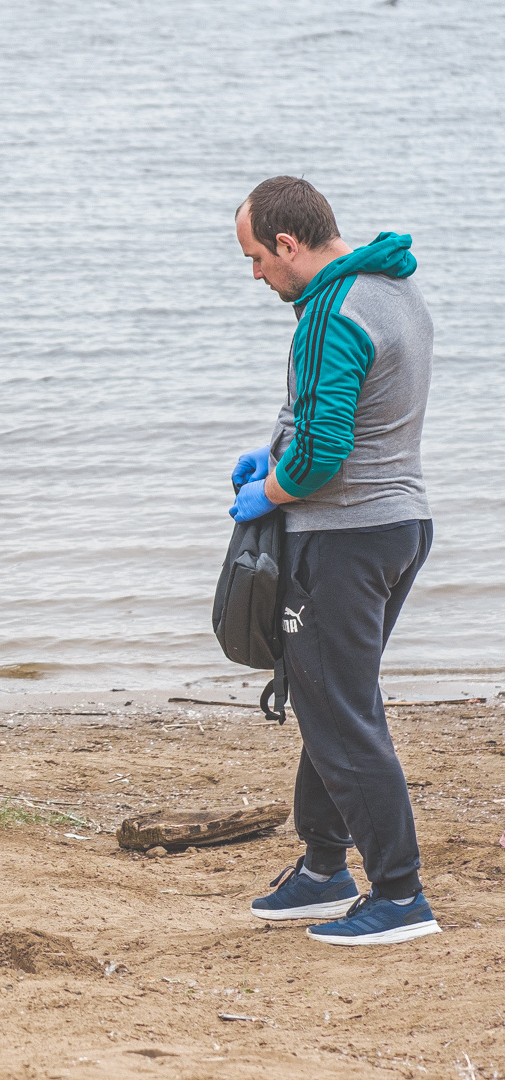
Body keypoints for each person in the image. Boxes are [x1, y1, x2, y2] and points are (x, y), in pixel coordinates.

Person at [228, 176, 439, 946]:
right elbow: (342, 412)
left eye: (256, 258)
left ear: (289, 245)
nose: (256, 275)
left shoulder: (328, 312)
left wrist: (273, 489)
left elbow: (323, 452)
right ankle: (323, 868)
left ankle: (400, 894)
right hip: (401, 525)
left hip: (344, 535)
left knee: (340, 713)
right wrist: (276, 449)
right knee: (334, 697)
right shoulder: (391, 287)